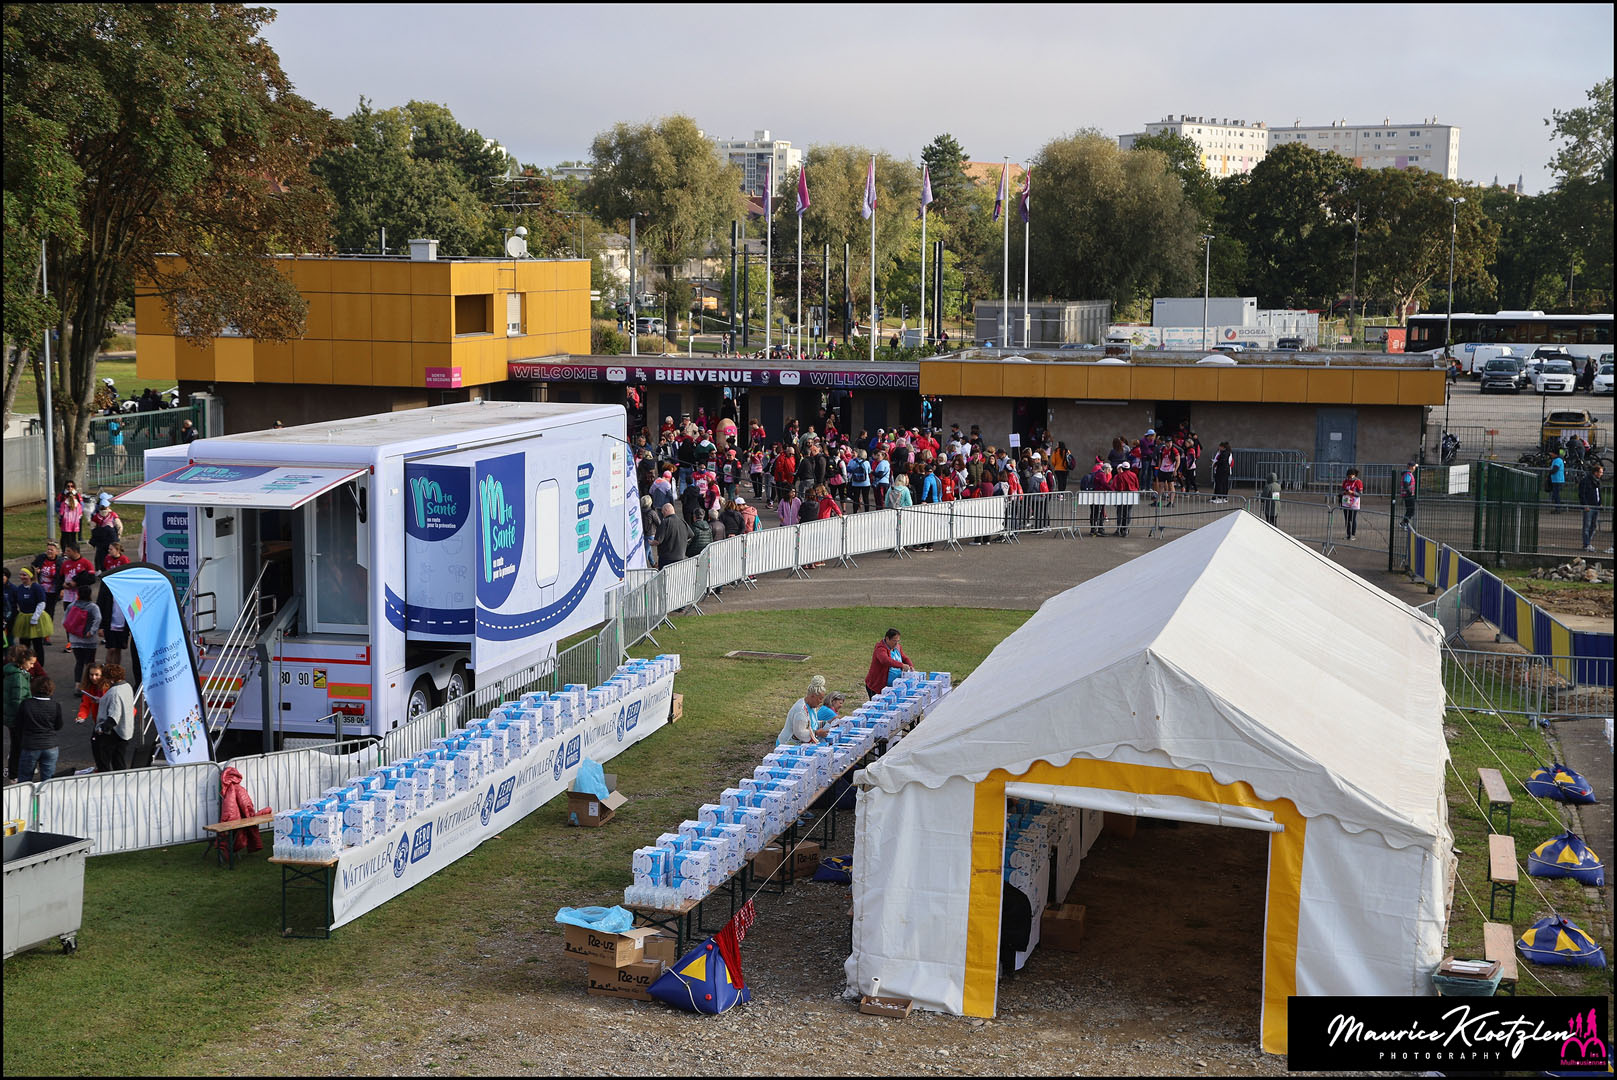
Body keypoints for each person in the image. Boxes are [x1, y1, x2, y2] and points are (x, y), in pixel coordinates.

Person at [15, 673, 63, 783]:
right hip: (50, 746)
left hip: (30, 745)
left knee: (25, 780)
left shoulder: (26, 704)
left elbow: (18, 724)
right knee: (48, 781)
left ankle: (26, 800)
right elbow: (58, 726)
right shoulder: (55, 705)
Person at [97, 663, 138, 771]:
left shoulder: (114, 692)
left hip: (115, 733)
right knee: (119, 758)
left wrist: (102, 729)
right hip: (126, 730)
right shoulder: (127, 686)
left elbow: (114, 716)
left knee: (108, 760)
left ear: (110, 679)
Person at [4, 645, 36, 781]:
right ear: (23, 661)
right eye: (31, 663)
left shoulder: (14, 673)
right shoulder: (18, 677)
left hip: (12, 717)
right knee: (19, 747)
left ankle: (14, 773)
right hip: (18, 718)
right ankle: (15, 775)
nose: (32, 666)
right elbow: (18, 700)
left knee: (16, 746)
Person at [65, 584, 102, 692]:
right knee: (90, 663)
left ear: (78, 594)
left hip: (75, 639)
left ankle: (77, 685)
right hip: (89, 640)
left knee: (79, 662)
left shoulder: (71, 606)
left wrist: (72, 632)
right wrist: (91, 632)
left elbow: (65, 621)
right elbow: (98, 619)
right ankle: (89, 685)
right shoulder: (93, 607)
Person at [11, 567, 52, 665]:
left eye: (24, 575)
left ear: (30, 576)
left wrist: (35, 617)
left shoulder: (36, 587)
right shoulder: (20, 588)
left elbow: (41, 603)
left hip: (35, 619)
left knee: (37, 644)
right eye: (20, 575)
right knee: (24, 644)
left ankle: (39, 666)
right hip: (24, 618)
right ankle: (24, 665)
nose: (22, 577)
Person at [778, 674, 831, 745]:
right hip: (787, 744)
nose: (821, 701)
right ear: (812, 696)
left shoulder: (811, 707)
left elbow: (811, 724)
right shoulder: (801, 711)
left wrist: (827, 723)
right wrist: (817, 733)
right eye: (820, 698)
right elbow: (800, 733)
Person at [865, 628, 915, 698]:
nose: (896, 643)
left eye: (898, 641)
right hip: (877, 686)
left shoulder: (897, 647)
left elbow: (904, 658)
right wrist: (901, 665)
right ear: (887, 639)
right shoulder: (880, 648)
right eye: (894, 641)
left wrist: (910, 665)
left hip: (893, 687)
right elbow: (885, 660)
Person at [1579, 463, 1604, 552]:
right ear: (1595, 472)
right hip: (1589, 506)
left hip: (1596, 506)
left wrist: (1600, 503)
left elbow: (1598, 493)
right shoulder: (1586, 481)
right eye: (1600, 472)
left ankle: (1588, 542)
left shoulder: (1597, 481)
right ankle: (1586, 544)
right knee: (1587, 525)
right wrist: (1585, 504)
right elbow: (1582, 494)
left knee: (1593, 526)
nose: (1602, 474)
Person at [656, 503, 690, 567]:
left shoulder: (665, 522)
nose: (662, 513)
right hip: (680, 556)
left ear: (666, 510)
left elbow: (658, 541)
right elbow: (691, 535)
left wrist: (652, 542)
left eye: (663, 511)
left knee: (664, 575)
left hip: (666, 558)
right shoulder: (682, 521)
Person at [1112, 460, 1139, 536]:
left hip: (1122, 495)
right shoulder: (1134, 475)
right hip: (1132, 495)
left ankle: (1119, 529)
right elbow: (1137, 485)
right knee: (1129, 512)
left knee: (1120, 512)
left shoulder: (1120, 476)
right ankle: (1126, 529)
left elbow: (1120, 487)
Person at [56, 481, 85, 548]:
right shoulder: (62, 496)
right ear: (65, 487)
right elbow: (58, 507)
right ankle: (67, 551)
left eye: (72, 486)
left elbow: (82, 506)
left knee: (72, 537)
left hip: (73, 521)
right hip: (67, 521)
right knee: (65, 536)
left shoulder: (77, 495)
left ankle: (72, 551)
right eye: (68, 486)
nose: (70, 488)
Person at [1339, 467, 1364, 541]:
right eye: (1348, 476)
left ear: (1354, 475)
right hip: (1346, 502)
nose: (1349, 478)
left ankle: (1353, 534)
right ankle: (1348, 534)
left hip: (1354, 503)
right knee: (1347, 519)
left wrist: (1352, 492)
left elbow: (1360, 493)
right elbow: (1341, 490)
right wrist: (1344, 492)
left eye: (1351, 476)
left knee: (1352, 519)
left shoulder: (1358, 482)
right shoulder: (1345, 481)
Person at [1398, 461, 1417, 529]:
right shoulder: (1407, 475)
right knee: (1410, 510)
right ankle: (1404, 523)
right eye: (1414, 466)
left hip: (1408, 495)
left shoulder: (1408, 474)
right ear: (1411, 467)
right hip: (1408, 495)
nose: (1415, 468)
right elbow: (1406, 484)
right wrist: (1409, 493)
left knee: (1410, 510)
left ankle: (1404, 523)